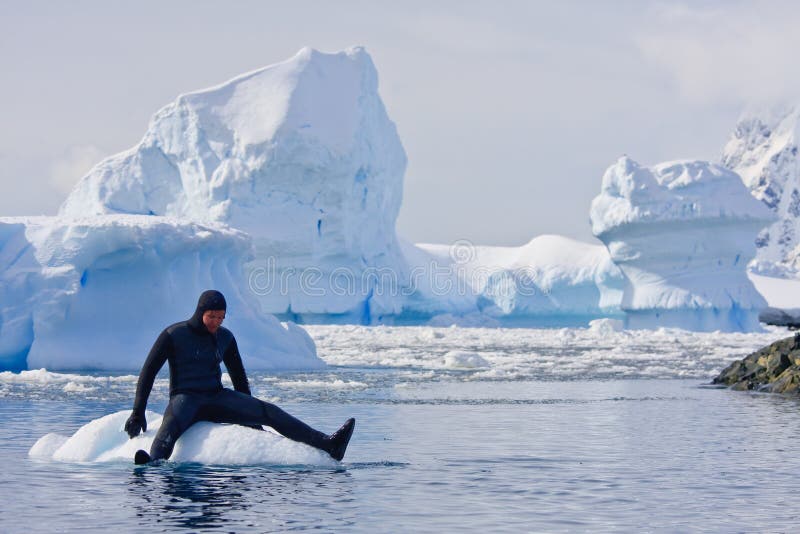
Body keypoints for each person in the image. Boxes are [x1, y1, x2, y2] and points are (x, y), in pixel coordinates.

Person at [124, 289, 355, 464]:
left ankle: (328, 444)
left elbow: (238, 377)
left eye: (221, 318)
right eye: (212, 316)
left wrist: (249, 413)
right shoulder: (174, 334)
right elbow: (148, 373)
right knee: (170, 429)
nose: (216, 322)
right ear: (200, 312)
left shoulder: (225, 337)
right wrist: (137, 412)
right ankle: (153, 463)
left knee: (268, 411)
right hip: (185, 398)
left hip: (216, 397)